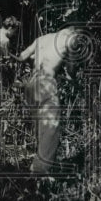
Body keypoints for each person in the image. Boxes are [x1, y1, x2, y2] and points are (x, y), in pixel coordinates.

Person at [19, 26, 80, 174]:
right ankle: (39, 173)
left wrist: (35, 60)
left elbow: (22, 56)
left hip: (31, 83)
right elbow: (71, 71)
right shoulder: (71, 38)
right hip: (46, 81)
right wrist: (73, 78)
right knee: (51, 127)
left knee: (42, 127)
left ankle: (38, 169)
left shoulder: (43, 39)